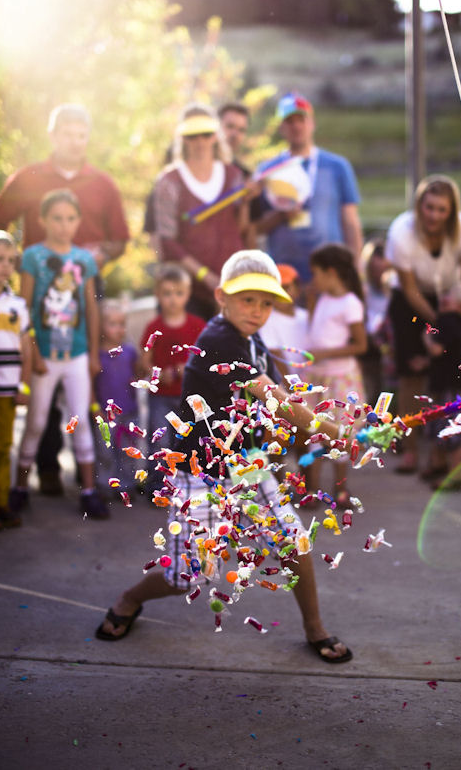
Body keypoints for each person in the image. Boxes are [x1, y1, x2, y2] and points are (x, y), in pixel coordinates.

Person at [95, 249, 352, 664]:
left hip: (247, 466)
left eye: (267, 302)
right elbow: (279, 401)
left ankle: (314, 629)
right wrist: (338, 431)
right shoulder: (219, 340)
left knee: (295, 543)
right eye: (247, 300)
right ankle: (129, 599)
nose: (257, 310)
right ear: (221, 296)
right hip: (201, 472)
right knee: (190, 576)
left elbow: (274, 394)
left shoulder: (250, 337)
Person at [0, 103, 130, 496]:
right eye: (66, 132)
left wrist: (100, 254)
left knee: (84, 380)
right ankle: (46, 467)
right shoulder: (29, 178)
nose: (74, 140)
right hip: (40, 290)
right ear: (53, 135)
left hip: (86, 288)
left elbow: (120, 238)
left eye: (81, 133)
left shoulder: (102, 184)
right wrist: (17, 260)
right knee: (41, 381)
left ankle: (97, 472)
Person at [9, 189, 109, 519]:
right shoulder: (32, 257)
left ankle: (89, 491)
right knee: (36, 422)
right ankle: (19, 488)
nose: (64, 225)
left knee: (79, 421)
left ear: (79, 221)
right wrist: (32, 353)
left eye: (70, 219)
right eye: (56, 218)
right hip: (44, 356)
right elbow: (24, 309)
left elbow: (91, 310)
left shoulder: (84, 260)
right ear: (42, 220)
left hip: (77, 354)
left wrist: (93, 354)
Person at [385, 175, 461, 477]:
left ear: (452, 211)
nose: (434, 215)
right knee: (411, 376)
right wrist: (436, 323)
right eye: (429, 208)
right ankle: (410, 450)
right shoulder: (401, 232)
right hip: (411, 301)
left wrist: (460, 322)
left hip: (452, 301)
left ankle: (440, 456)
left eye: (442, 209)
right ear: (419, 206)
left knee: (447, 376)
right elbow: (410, 289)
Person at [152, 103, 252, 319]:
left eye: (206, 134)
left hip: (231, 287)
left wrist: (245, 202)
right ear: (182, 139)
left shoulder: (234, 175)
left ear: (215, 136)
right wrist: (207, 277)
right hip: (188, 293)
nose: (200, 142)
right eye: (192, 136)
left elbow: (241, 229)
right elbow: (167, 242)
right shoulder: (169, 182)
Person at [254, 93, 363, 285]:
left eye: (301, 119)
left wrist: (356, 267)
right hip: (283, 276)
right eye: (289, 121)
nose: (296, 126)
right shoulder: (268, 170)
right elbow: (254, 228)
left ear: (312, 123)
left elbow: (351, 221)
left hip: (331, 273)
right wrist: (280, 216)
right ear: (281, 127)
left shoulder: (337, 166)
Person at [304, 244, 367, 508]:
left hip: (340, 379)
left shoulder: (350, 303)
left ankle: (340, 491)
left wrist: (325, 353)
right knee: (315, 431)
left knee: (342, 435)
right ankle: (313, 491)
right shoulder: (322, 298)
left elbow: (361, 345)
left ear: (331, 272)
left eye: (316, 273)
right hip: (319, 378)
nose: (313, 279)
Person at [138, 264, 205, 490]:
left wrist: (186, 368)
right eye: (167, 293)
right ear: (157, 294)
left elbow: (204, 358)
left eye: (178, 293)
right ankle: (158, 485)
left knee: (189, 439)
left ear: (187, 294)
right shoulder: (153, 327)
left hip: (190, 398)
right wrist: (158, 374)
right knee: (160, 440)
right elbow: (144, 361)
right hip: (161, 397)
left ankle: (188, 484)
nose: (173, 299)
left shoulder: (197, 326)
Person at [421, 281, 461, 490]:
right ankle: (439, 465)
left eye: (451, 294)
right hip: (455, 384)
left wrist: (427, 338)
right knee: (444, 428)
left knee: (450, 431)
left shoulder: (449, 321)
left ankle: (454, 476)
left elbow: (437, 350)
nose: (445, 296)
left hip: (449, 387)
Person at [0, 230, 31, 530]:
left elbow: (26, 349)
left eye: (10, 260)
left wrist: (24, 385)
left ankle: (1, 502)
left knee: (3, 446)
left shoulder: (17, 305)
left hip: (7, 387)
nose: (6, 266)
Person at [92, 300, 141, 493]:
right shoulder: (96, 355)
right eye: (112, 324)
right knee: (105, 451)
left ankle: (127, 485)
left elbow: (137, 374)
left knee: (128, 450)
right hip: (105, 414)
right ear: (100, 327)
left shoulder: (129, 352)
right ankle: (104, 485)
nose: (119, 329)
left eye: (122, 324)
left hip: (129, 411)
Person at [359, 239, 394, 404]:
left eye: (384, 270)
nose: (379, 275)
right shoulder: (363, 291)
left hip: (390, 353)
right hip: (369, 353)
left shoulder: (395, 291)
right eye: (374, 270)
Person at [259, 263, 309, 376]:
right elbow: (278, 362)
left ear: (298, 289)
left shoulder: (306, 316)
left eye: (285, 288)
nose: (280, 294)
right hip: (291, 388)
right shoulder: (267, 321)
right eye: (274, 290)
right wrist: (294, 391)